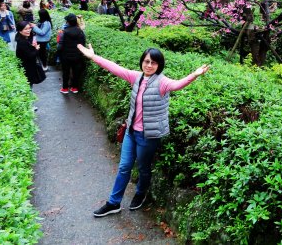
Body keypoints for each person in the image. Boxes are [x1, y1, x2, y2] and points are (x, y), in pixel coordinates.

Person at [76, 43, 210, 217]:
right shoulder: (136, 77)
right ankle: (113, 203)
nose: (149, 65)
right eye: (146, 61)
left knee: (144, 168)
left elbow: (177, 85)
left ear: (159, 65)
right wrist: (93, 57)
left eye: (153, 63)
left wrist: (194, 75)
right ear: (142, 62)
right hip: (131, 132)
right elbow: (114, 68)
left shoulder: (162, 82)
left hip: (148, 136)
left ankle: (140, 193)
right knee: (124, 167)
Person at [58, 13, 86, 94]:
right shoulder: (80, 32)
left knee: (66, 72)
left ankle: (65, 88)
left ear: (68, 22)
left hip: (65, 56)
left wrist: (59, 54)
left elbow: (60, 46)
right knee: (76, 72)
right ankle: (74, 88)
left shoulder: (64, 32)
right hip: (77, 56)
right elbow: (83, 43)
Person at [15, 21, 46, 86]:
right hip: (27, 68)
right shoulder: (22, 42)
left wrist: (33, 46)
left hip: (27, 66)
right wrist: (36, 49)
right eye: (25, 29)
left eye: (29, 28)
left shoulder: (23, 38)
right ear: (20, 31)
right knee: (29, 84)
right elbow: (31, 55)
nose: (28, 30)